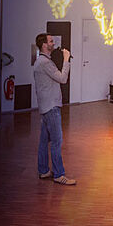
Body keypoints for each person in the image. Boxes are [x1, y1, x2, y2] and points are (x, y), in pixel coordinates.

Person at [32, 34, 75, 185]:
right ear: (44, 45)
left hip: (45, 107)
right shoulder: (45, 63)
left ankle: (43, 171)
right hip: (51, 108)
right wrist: (66, 59)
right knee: (57, 141)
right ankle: (59, 174)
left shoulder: (41, 61)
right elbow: (63, 78)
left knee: (44, 141)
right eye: (51, 41)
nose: (54, 43)